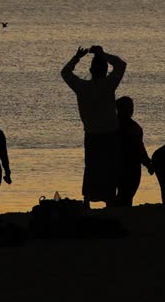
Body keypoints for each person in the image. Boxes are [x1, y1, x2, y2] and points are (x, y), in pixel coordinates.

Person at [61, 45, 127, 206]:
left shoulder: (82, 87)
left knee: (92, 167)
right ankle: (109, 199)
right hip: (110, 134)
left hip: (92, 134)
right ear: (105, 70)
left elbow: (65, 73)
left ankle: (88, 199)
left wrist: (77, 58)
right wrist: (103, 54)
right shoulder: (108, 84)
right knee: (109, 168)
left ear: (91, 70)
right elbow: (121, 65)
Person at [114, 96, 153, 207]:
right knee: (126, 194)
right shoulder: (132, 127)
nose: (131, 110)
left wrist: (147, 163)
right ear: (120, 109)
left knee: (123, 195)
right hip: (129, 166)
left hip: (117, 165)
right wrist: (147, 163)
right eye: (129, 107)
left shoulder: (112, 125)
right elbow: (138, 148)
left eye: (132, 107)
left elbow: (140, 147)